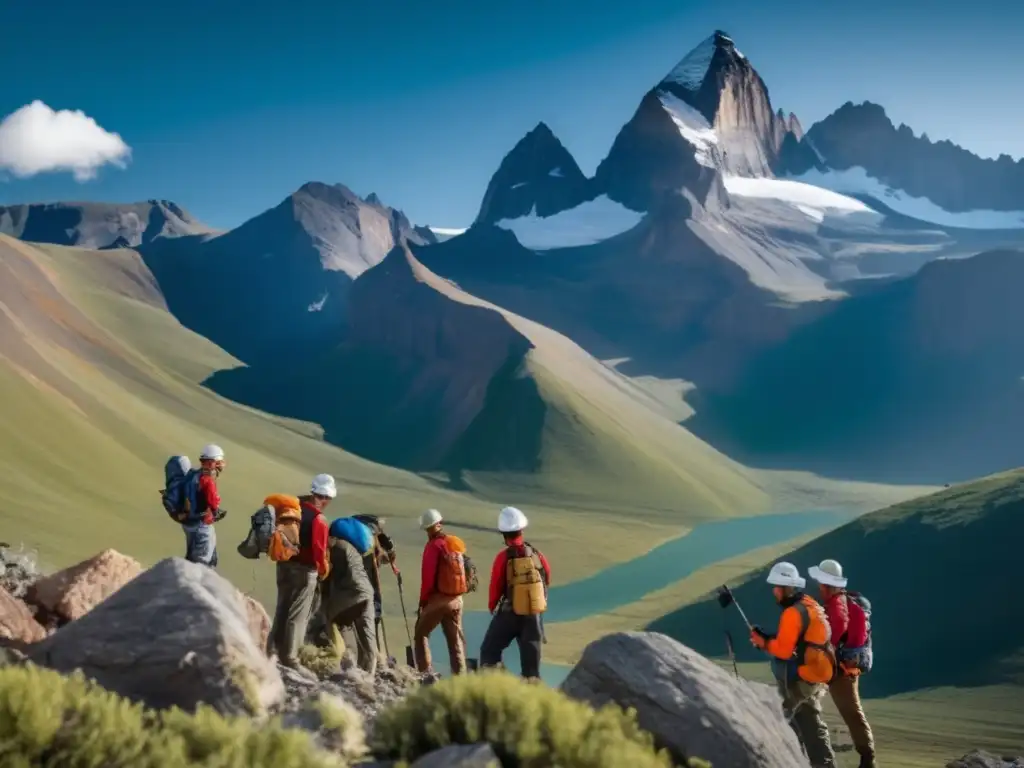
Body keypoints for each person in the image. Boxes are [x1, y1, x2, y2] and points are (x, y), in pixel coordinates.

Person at [750, 561, 837, 768]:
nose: (774, 592)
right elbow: (796, 640)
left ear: (785, 588)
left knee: (790, 719)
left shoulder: (792, 613)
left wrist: (763, 642)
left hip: (805, 677)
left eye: (777, 587)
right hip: (816, 672)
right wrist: (769, 638)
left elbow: (784, 650)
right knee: (804, 720)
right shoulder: (808, 604)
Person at [809, 559, 876, 768]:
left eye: (820, 583)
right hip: (841, 667)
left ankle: (868, 759)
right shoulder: (841, 602)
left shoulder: (837, 607)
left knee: (851, 712)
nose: (819, 587)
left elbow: (832, 637)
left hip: (840, 671)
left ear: (827, 584)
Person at [268, 473, 333, 670]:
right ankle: (290, 658)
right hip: (305, 571)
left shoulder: (295, 510)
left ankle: (271, 650)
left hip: (284, 566)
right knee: (298, 615)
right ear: (325, 497)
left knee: (281, 609)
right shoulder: (319, 519)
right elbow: (319, 551)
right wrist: (323, 571)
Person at [480, 506, 550, 679]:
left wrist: (492, 606)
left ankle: (497, 688)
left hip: (509, 614)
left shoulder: (503, 558)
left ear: (504, 534)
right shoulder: (536, 554)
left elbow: (495, 586)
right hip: (533, 615)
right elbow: (546, 576)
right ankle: (532, 695)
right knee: (531, 668)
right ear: (522, 531)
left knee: (489, 651)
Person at [413, 509, 467, 675]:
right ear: (440, 523)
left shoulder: (433, 546)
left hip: (439, 600)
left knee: (421, 634)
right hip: (457, 599)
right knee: (455, 641)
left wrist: (423, 602)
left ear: (427, 528)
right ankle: (461, 678)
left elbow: (428, 579)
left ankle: (427, 676)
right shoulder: (454, 542)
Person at [319, 525, 378, 675]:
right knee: (368, 638)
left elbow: (327, 575)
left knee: (329, 617)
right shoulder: (352, 549)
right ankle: (369, 674)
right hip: (366, 593)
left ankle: (341, 659)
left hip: (350, 594)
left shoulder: (333, 546)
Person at [183, 444, 227, 568]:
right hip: (202, 524)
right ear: (210, 462)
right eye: (218, 462)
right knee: (202, 563)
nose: (220, 466)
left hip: (190, 522)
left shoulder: (194, 475)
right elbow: (213, 503)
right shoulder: (207, 480)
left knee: (192, 557)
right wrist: (215, 510)